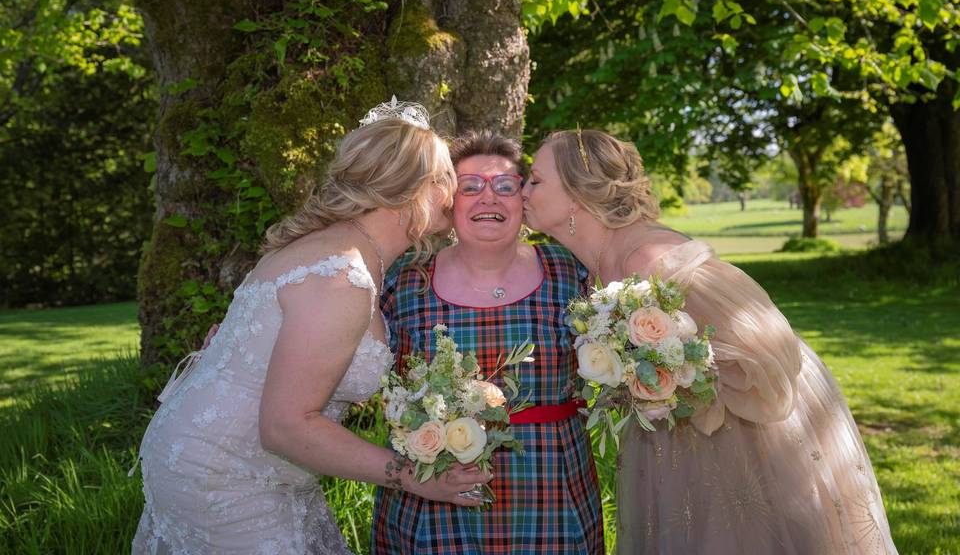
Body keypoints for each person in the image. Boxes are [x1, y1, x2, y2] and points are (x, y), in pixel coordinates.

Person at [131, 102, 492, 555]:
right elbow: (285, 426)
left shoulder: (337, 252)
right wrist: (415, 477)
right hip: (226, 475)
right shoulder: (342, 275)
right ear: (409, 189)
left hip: (228, 458)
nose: (454, 194)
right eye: (445, 179)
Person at [522, 129, 898, 555]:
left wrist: (677, 378)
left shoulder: (650, 258)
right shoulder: (588, 266)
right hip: (669, 431)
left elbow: (766, 347)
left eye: (535, 179)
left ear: (575, 195)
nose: (522, 190)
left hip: (744, 428)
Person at [371, 131, 604, 555]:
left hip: (552, 492)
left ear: (523, 199)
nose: (488, 199)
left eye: (505, 187)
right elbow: (337, 352)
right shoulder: (403, 281)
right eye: (470, 187)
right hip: (434, 496)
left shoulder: (571, 273)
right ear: (448, 201)